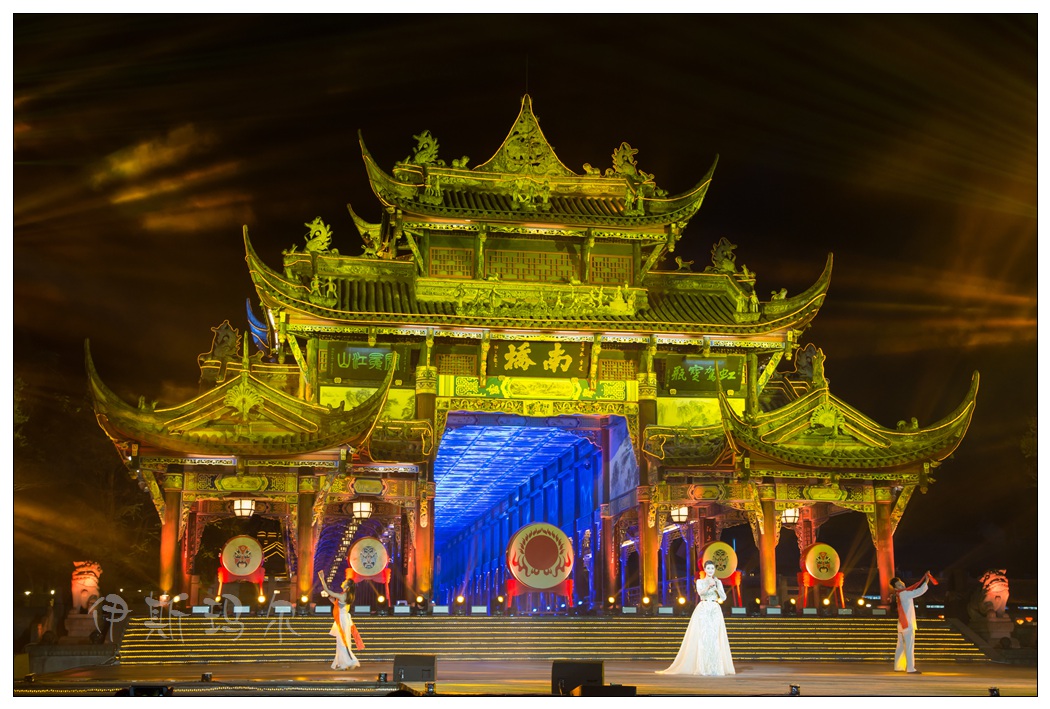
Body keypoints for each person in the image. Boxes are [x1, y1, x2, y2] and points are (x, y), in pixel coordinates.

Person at [658, 560, 735, 676]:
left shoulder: (718, 582)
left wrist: (717, 587)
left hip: (715, 608)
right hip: (703, 608)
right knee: (704, 636)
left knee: (714, 637)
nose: (710, 570)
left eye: (712, 568)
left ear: (714, 570)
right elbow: (700, 593)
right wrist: (708, 586)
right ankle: (703, 667)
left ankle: (715, 667)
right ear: (705, 569)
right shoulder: (700, 581)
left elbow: (723, 597)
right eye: (708, 568)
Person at [319, 572, 365, 670]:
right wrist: (333, 601)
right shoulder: (345, 595)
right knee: (342, 642)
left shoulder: (344, 595)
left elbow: (327, 590)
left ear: (347, 586)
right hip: (343, 618)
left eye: (345, 581)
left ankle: (350, 662)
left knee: (342, 642)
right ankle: (344, 663)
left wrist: (322, 579)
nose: (343, 582)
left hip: (342, 620)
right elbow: (341, 607)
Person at [891, 571, 932, 674]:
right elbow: (918, 592)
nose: (902, 585)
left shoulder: (899, 594)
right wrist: (926, 581)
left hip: (902, 624)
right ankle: (910, 668)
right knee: (909, 647)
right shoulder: (904, 593)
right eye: (899, 585)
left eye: (901, 583)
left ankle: (898, 666)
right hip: (907, 624)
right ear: (895, 588)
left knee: (900, 646)